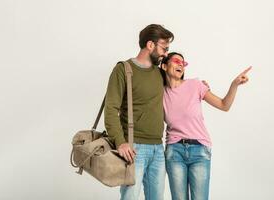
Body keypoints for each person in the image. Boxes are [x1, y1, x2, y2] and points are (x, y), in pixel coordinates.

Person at [160, 52, 251, 200]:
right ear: (164, 65)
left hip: (200, 151)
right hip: (174, 151)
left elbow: (224, 105)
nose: (180, 65)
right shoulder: (160, 92)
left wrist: (234, 84)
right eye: (176, 61)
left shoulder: (195, 85)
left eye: (183, 63)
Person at [104, 24, 174, 200]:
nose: (166, 54)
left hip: (158, 148)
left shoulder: (160, 74)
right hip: (134, 148)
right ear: (150, 45)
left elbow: (178, 90)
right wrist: (120, 142)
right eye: (164, 48)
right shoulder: (123, 70)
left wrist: (200, 87)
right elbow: (111, 109)